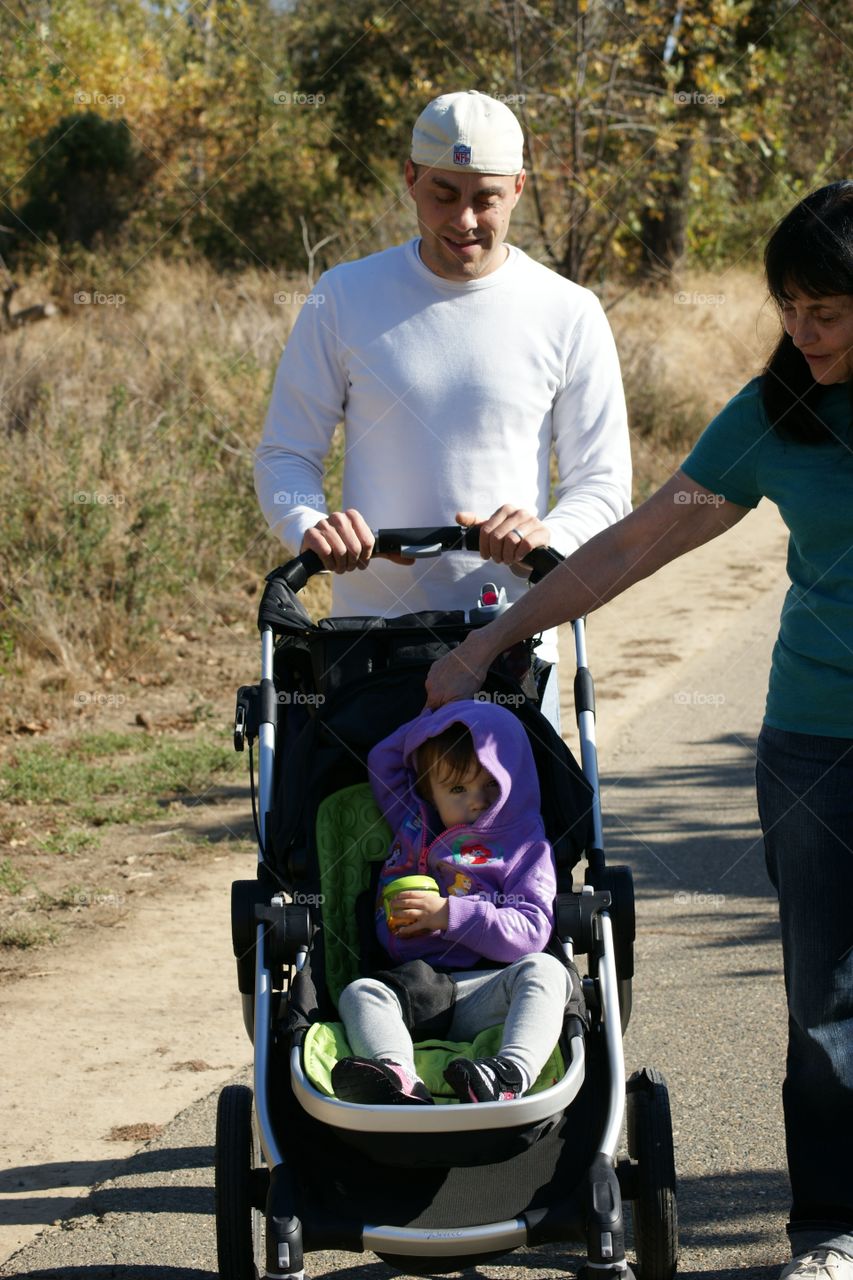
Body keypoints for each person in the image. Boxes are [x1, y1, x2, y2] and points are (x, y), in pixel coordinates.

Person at [424, 180, 853, 1280]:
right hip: (817, 738)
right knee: (826, 1007)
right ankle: (830, 1229)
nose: (801, 333)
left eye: (827, 310)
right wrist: (488, 643)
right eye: (789, 307)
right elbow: (631, 545)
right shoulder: (776, 413)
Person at [254, 89, 632, 718]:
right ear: (410, 179)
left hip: (511, 641)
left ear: (517, 187)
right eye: (443, 195)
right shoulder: (342, 296)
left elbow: (603, 484)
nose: (464, 221)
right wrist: (312, 528)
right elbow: (285, 454)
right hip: (369, 650)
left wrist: (547, 536)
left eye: (485, 198)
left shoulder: (569, 311)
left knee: (503, 819)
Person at [330, 699, 574, 1106]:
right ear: (428, 789)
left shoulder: (524, 845)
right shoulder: (413, 819)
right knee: (359, 993)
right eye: (457, 789)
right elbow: (384, 758)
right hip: (415, 989)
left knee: (546, 972)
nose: (476, 800)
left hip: (490, 987)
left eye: (492, 784)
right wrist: (434, 714)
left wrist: (449, 915)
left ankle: (508, 1072)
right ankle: (398, 1077)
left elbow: (531, 930)